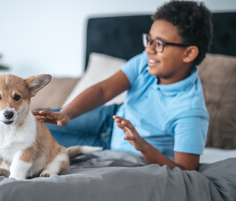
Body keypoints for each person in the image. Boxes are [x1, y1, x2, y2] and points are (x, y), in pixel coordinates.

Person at [33, 0, 212, 171]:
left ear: (188, 53)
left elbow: (186, 171)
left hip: (118, 148)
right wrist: (66, 113)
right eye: (148, 40)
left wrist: (143, 146)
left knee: (39, 145)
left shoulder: (191, 112)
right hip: (109, 119)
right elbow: (103, 91)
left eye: (158, 44)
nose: (149, 49)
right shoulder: (145, 62)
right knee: (30, 124)